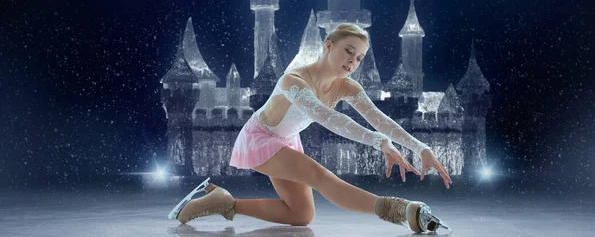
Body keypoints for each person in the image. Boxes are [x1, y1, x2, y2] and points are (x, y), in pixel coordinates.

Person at [171, 23, 453, 232]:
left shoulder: (346, 86)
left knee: (301, 215)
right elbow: (328, 118)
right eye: (348, 52)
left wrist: (422, 148)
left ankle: (225, 203)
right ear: (328, 45)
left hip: (287, 139)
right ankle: (401, 211)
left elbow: (379, 118)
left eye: (359, 58)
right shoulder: (293, 80)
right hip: (261, 137)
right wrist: (379, 142)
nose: (352, 63)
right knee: (320, 176)